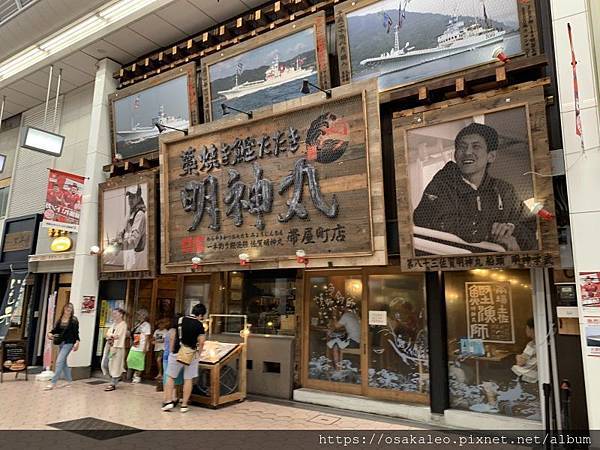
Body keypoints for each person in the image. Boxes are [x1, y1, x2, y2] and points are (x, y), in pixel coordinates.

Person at [413, 122, 537, 252]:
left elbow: (529, 224)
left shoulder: (504, 190)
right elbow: (430, 219)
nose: (467, 152)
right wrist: (490, 231)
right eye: (462, 147)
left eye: (476, 146)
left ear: (491, 156)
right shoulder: (441, 185)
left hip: (503, 269)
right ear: (455, 154)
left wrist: (511, 231)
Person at [162, 304, 206, 413]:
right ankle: (184, 405)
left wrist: (172, 350)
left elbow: (172, 336)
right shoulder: (199, 325)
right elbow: (201, 342)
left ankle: (168, 401)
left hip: (177, 351)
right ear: (200, 315)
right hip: (191, 354)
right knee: (188, 379)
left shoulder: (180, 320)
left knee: (171, 377)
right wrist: (198, 354)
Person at [45, 302, 80, 390]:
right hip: (61, 342)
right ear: (64, 309)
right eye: (67, 308)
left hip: (69, 343)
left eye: (70, 309)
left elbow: (76, 333)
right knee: (63, 363)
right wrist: (50, 334)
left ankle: (53, 382)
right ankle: (69, 381)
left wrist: (77, 342)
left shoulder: (74, 320)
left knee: (59, 361)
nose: (68, 310)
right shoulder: (60, 319)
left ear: (72, 311)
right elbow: (55, 330)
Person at [114, 185, 147, 271]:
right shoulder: (130, 213)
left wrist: (119, 246)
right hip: (129, 254)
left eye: (133, 197)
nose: (130, 200)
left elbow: (134, 240)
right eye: (129, 197)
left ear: (139, 197)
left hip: (136, 255)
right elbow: (122, 231)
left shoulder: (140, 214)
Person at [326, 304, 361, 370]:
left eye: (342, 308)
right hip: (360, 341)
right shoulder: (355, 315)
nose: (341, 310)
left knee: (335, 346)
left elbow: (336, 326)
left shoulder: (346, 315)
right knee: (338, 339)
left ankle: (337, 369)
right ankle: (341, 364)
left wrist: (334, 316)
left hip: (354, 342)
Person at [102, 308, 128, 391]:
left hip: (117, 348)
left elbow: (118, 336)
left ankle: (113, 383)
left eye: (115, 313)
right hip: (109, 346)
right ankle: (115, 379)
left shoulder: (123, 324)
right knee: (105, 364)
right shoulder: (113, 324)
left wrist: (111, 336)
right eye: (113, 313)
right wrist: (111, 336)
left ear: (121, 315)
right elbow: (107, 334)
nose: (113, 315)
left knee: (115, 366)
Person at [128, 309, 151, 383]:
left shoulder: (147, 325)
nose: (138, 316)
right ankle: (134, 374)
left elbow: (147, 337)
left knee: (140, 362)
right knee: (130, 359)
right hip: (135, 344)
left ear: (143, 316)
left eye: (139, 315)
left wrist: (145, 347)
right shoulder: (137, 323)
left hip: (142, 345)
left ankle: (137, 376)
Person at [512, 318, 537, 384]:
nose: (526, 331)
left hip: (529, 376)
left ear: (532, 329)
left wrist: (517, 356)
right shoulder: (544, 343)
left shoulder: (532, 344)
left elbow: (521, 362)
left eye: (526, 328)